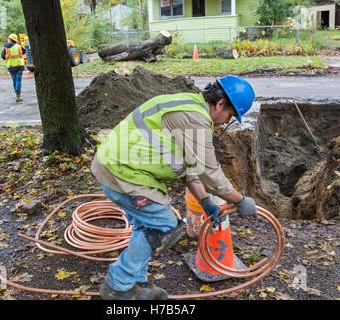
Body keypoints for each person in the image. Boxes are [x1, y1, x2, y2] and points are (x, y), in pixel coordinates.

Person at [91, 75, 258, 300]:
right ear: (220, 104)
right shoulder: (195, 119)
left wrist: (205, 200)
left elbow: (189, 165)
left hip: (120, 167)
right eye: (229, 115)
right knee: (165, 227)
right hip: (124, 174)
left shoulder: (189, 105)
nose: (225, 122)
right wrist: (240, 200)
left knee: (146, 225)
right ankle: (118, 286)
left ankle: (133, 284)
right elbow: (209, 172)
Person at [1, 34, 25, 103]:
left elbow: (2, 56)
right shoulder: (19, 46)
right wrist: (18, 44)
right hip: (19, 66)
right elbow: (24, 52)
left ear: (10, 40)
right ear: (15, 41)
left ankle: (17, 94)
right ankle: (18, 96)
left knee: (14, 80)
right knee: (18, 80)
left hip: (11, 66)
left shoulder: (6, 48)